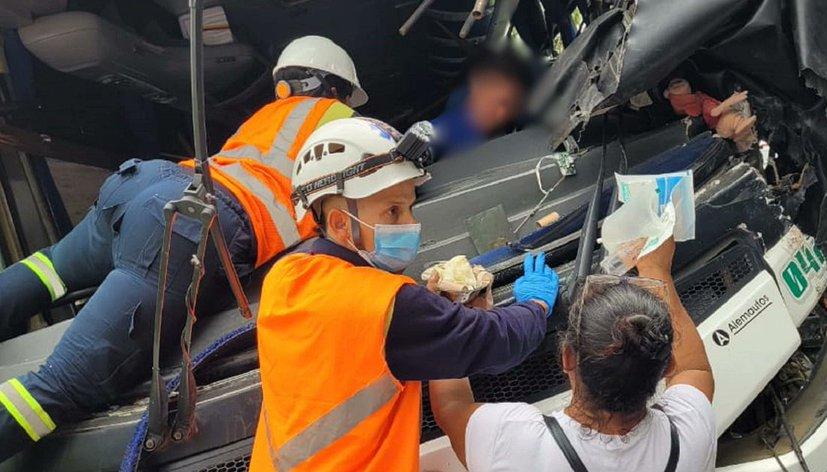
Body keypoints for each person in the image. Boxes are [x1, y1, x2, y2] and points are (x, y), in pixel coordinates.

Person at [0, 35, 363, 461]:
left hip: (147, 180)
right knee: (61, 387)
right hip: (187, 225)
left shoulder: (266, 119)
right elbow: (391, 161)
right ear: (335, 88)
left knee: (48, 270)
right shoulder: (338, 118)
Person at [250, 117, 560, 471]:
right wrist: (535, 305)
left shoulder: (285, 277)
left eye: (410, 207)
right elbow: (495, 342)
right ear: (339, 223)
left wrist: (432, 311)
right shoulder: (384, 304)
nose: (409, 225)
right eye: (393, 211)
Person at [430, 237, 716, 471]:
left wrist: (459, 318)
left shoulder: (514, 442)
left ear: (567, 357)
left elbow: (450, 407)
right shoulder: (688, 436)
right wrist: (657, 271)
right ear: (667, 367)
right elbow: (694, 371)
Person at [431, 48, 533, 158]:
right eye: (490, 100)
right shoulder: (444, 129)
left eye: (505, 104)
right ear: (476, 88)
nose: (495, 111)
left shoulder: (504, 137)